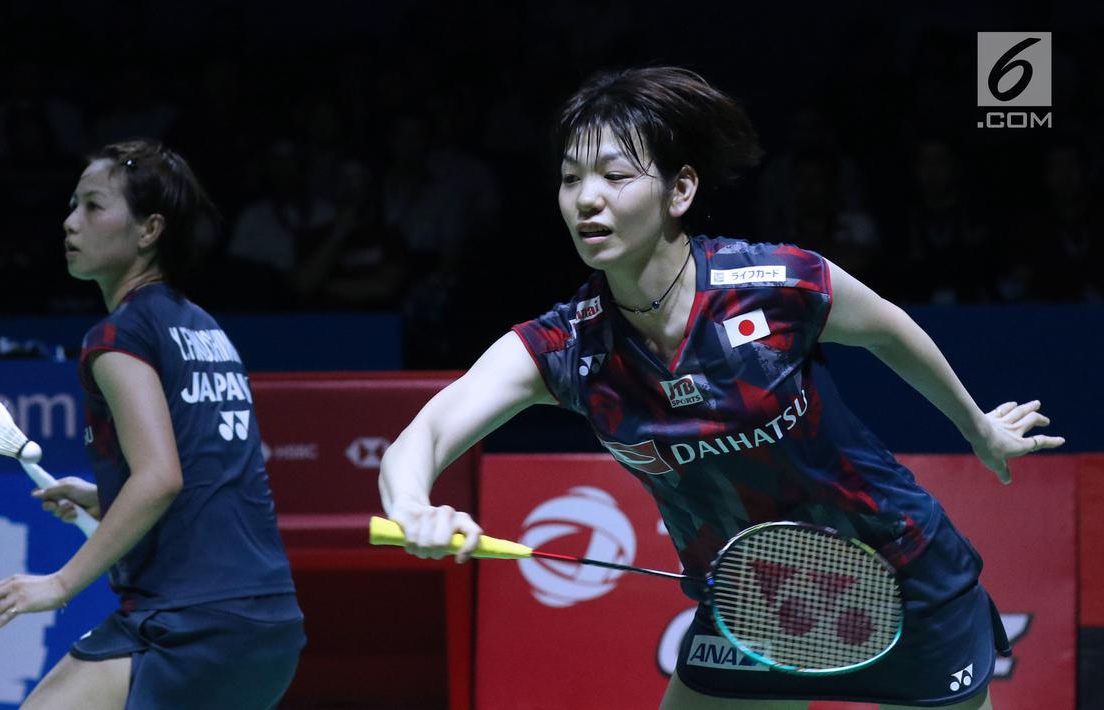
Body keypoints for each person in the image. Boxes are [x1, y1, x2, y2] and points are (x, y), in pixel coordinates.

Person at [377, 67, 1063, 709]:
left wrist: (976, 425)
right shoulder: (569, 347)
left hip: (900, 574)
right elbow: (429, 430)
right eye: (569, 178)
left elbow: (889, 331)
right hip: (752, 597)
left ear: (679, 191)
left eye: (616, 176)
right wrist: (413, 507)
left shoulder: (774, 287)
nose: (587, 198)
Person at [0, 140, 304, 709]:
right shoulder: (203, 329)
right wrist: (105, 496)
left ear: (149, 230)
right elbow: (203, 474)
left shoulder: (119, 337)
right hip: (268, 624)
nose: (71, 223)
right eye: (72, 205)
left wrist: (60, 584)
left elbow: (160, 478)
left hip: (188, 626)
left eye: (94, 207)